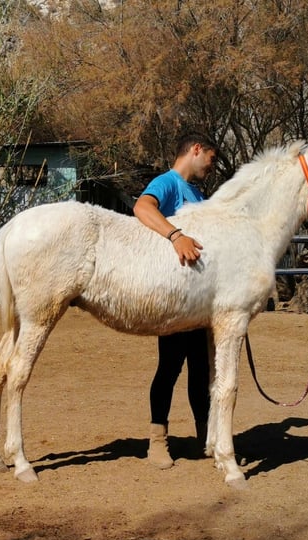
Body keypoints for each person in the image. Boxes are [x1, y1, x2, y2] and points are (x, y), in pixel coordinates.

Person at [133, 132, 218, 469]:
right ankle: (157, 441)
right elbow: (142, 207)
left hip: (198, 300)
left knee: (200, 369)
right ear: (196, 150)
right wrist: (175, 235)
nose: (212, 166)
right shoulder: (167, 183)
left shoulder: (198, 193)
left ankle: (205, 437)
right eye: (211, 157)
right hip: (173, 298)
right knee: (169, 367)